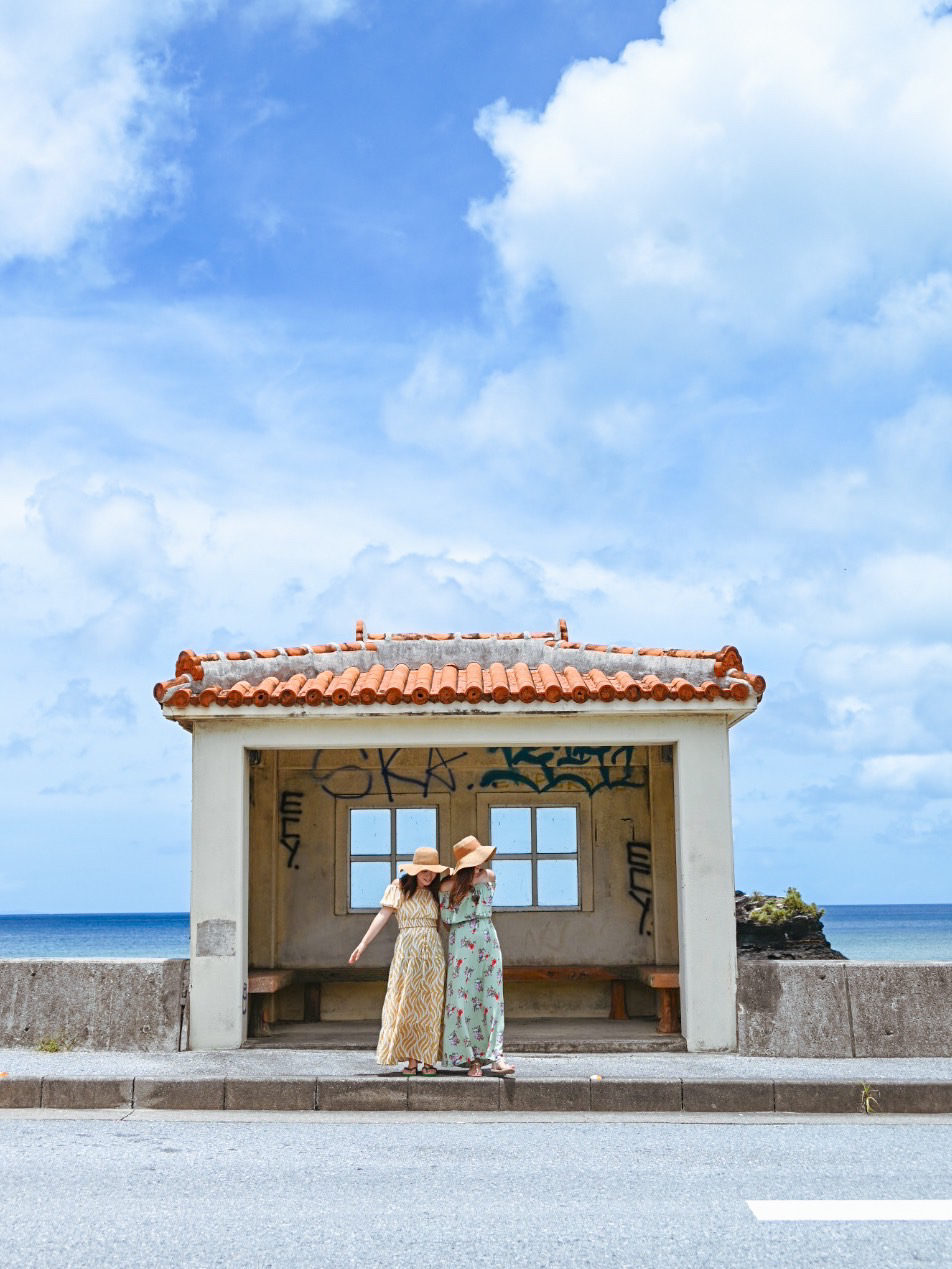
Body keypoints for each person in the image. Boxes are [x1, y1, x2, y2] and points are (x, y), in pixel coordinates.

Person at [348, 846, 449, 1075]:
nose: (428, 875)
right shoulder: (399, 887)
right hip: (407, 954)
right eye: (424, 870)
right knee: (407, 1004)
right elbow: (382, 916)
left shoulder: (437, 891)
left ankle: (429, 1058)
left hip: (432, 954)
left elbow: (444, 923)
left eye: (432, 871)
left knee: (431, 1005)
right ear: (414, 870)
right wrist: (363, 944)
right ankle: (412, 1060)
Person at [440, 835, 515, 1078]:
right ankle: (471, 1059)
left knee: (492, 997)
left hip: (488, 939)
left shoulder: (489, 877)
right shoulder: (448, 886)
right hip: (461, 942)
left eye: (481, 859)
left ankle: (496, 1056)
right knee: (462, 1000)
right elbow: (444, 920)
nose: (480, 865)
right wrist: (463, 932)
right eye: (475, 861)